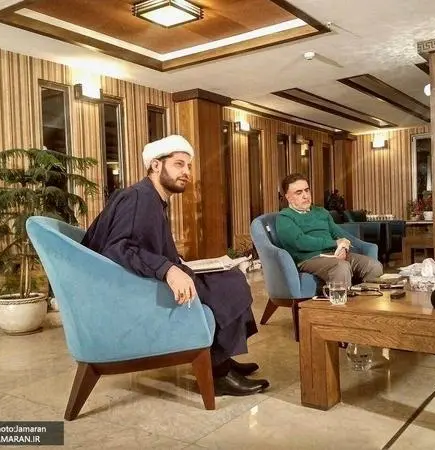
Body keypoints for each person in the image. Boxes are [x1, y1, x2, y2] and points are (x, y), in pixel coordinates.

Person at [81, 135, 269, 397]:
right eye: (179, 164)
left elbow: (144, 246)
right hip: (134, 292)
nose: (186, 172)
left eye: (188, 166)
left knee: (230, 276)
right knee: (229, 286)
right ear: (156, 165)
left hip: (143, 281)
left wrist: (178, 263)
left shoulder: (152, 199)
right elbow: (119, 248)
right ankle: (219, 372)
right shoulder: (139, 197)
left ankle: (221, 358)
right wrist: (168, 270)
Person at [276, 173, 383, 287]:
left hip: (334, 255)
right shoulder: (284, 217)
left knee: (373, 265)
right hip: (310, 259)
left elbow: (339, 234)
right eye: (299, 192)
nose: (305, 196)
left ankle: (365, 298)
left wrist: (343, 248)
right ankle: (340, 299)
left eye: (307, 190)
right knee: (341, 267)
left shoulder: (321, 212)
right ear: (288, 197)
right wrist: (334, 243)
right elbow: (300, 242)